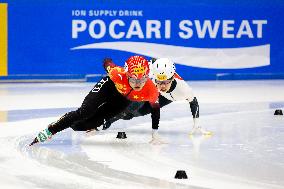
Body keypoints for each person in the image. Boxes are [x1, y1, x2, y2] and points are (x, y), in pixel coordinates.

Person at [29, 55, 161, 146]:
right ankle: (51, 129)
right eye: (133, 79)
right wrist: (107, 61)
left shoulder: (151, 90)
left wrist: (155, 133)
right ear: (126, 75)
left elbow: (155, 110)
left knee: (86, 125)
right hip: (108, 87)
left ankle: (67, 120)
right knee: (85, 112)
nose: (138, 84)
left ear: (147, 77)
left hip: (122, 100)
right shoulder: (117, 73)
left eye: (142, 80)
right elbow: (108, 64)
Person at [100, 58, 211, 135]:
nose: (162, 86)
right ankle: (106, 119)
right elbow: (126, 72)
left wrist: (197, 123)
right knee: (131, 105)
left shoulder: (183, 89)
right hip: (150, 88)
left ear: (172, 78)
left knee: (131, 115)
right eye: (159, 81)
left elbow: (194, 102)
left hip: (166, 98)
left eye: (166, 82)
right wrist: (110, 67)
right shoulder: (151, 71)